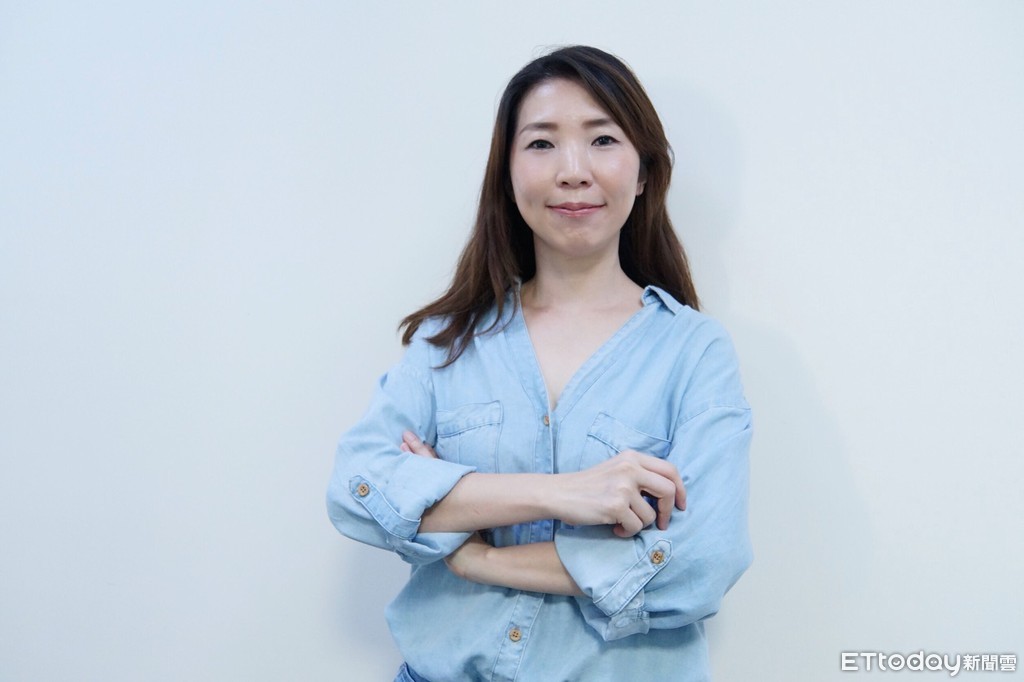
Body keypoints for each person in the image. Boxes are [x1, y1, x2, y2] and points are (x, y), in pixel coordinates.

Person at [327, 45, 752, 682]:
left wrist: (476, 554)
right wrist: (563, 495)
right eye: (542, 144)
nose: (573, 171)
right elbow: (357, 490)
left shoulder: (694, 351)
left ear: (643, 173)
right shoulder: (448, 341)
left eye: (602, 139)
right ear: (507, 173)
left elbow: (698, 564)